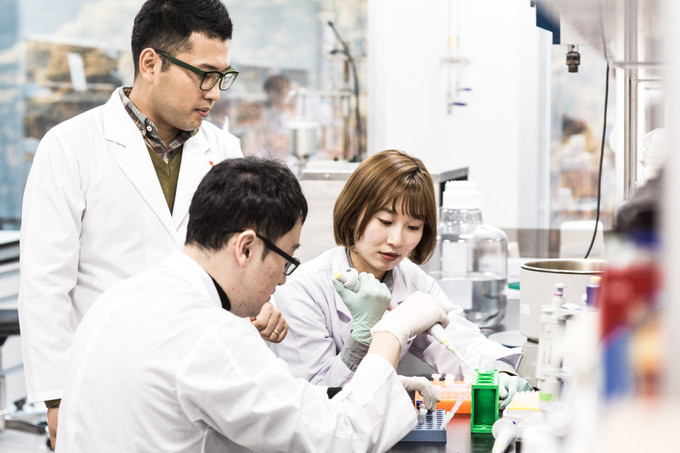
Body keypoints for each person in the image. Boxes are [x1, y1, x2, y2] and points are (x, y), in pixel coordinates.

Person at [18, 0, 286, 446]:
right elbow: (45, 285)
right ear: (150, 64)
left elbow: (241, 261)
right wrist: (58, 397)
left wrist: (262, 307)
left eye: (223, 77)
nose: (215, 93)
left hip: (203, 380)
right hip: (107, 385)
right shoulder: (70, 146)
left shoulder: (224, 150)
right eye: (204, 74)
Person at [55, 157, 451, 452]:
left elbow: (289, 401)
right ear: (245, 247)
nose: (283, 279)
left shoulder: (124, 297)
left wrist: (384, 387)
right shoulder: (211, 335)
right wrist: (390, 332)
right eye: (286, 259)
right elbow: (339, 438)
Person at [269, 149, 531, 409]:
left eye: (413, 227)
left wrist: (498, 372)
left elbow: (457, 339)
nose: (397, 240)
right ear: (353, 215)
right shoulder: (303, 289)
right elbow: (318, 393)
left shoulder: (411, 279)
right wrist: (360, 338)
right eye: (385, 221)